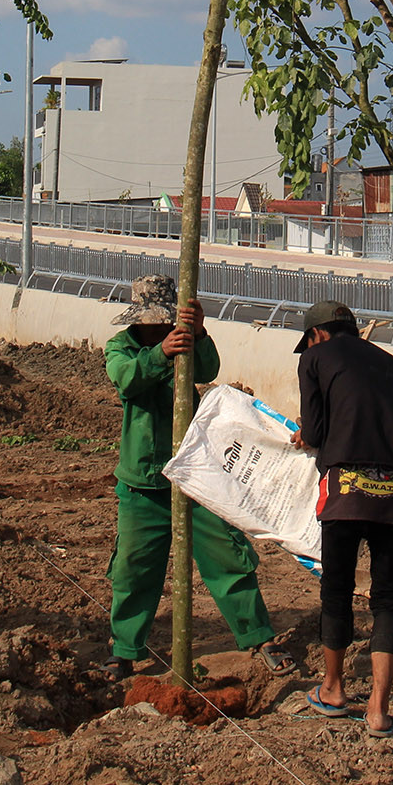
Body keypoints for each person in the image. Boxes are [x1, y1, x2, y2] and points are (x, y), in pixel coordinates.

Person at [102, 273, 292, 679]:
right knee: (134, 568)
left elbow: (208, 369)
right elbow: (126, 379)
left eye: (165, 322)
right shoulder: (121, 347)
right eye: (154, 322)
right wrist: (159, 356)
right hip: (143, 481)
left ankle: (258, 635)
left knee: (227, 555)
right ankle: (124, 649)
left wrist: (199, 333)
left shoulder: (185, 342)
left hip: (195, 472)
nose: (160, 329)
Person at [292, 299, 393, 738]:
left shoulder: (315, 358)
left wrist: (303, 437)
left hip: (347, 488)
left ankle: (332, 689)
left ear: (319, 334)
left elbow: (313, 433)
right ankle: (379, 711)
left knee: (338, 590)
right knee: (388, 598)